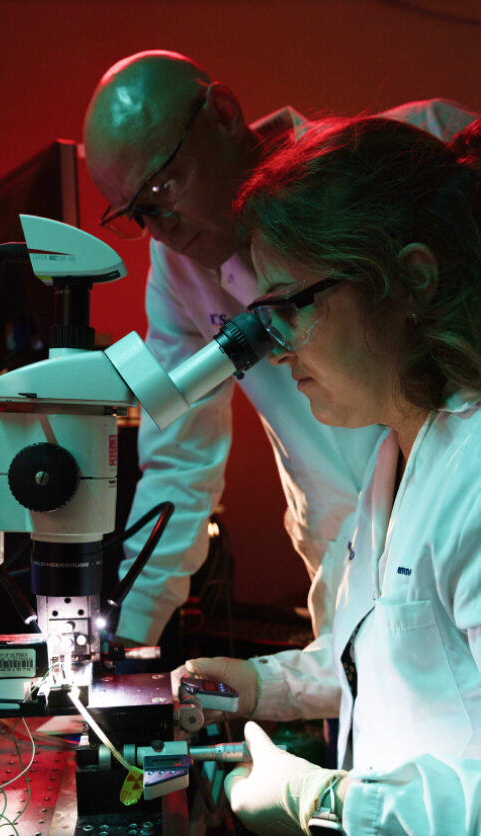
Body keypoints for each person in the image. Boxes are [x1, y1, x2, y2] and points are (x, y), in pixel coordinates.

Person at [83, 49, 478, 647]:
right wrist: (121, 638)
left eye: (163, 186)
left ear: (222, 112)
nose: (160, 228)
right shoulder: (178, 269)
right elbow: (179, 462)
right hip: (351, 556)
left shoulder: (400, 155)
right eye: (137, 214)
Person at [175, 115, 481, 834]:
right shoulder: (394, 456)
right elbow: (390, 654)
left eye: (293, 309)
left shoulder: (473, 474)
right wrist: (257, 687)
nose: (276, 352)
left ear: (411, 279)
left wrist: (328, 805)